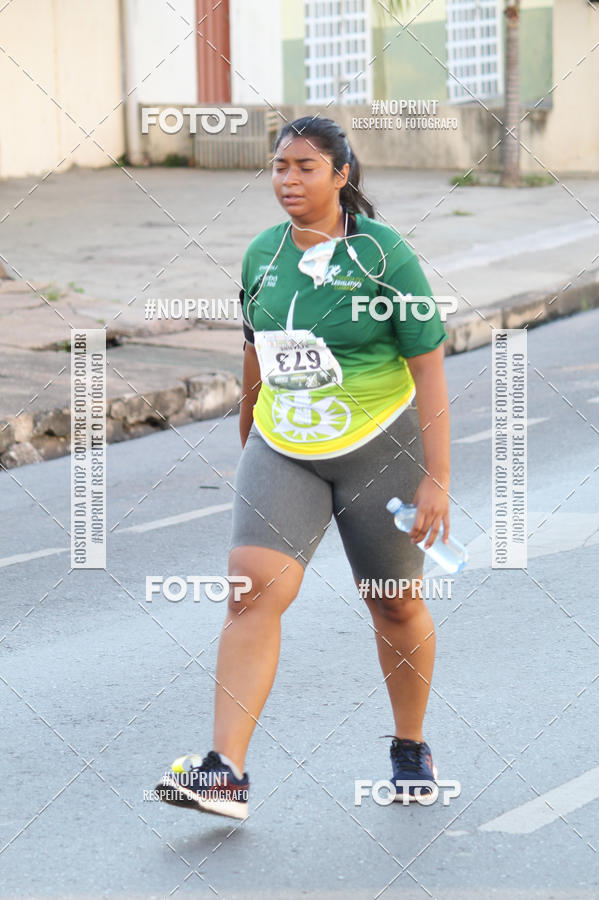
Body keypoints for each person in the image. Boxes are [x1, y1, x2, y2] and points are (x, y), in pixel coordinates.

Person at [156, 116, 451, 820]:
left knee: (393, 601)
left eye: (305, 167)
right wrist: (249, 415)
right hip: (284, 445)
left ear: (342, 175)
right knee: (252, 590)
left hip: (380, 446)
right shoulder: (262, 252)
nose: (288, 180)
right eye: (280, 166)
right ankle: (225, 771)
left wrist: (436, 476)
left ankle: (410, 743)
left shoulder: (385, 258)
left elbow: (428, 365)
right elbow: (258, 341)